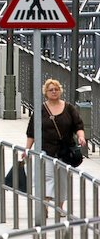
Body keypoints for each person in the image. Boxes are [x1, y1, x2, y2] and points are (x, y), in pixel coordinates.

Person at [24, 79, 85, 207]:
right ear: (45, 92)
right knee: (48, 176)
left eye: (56, 89)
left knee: (62, 179)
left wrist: (81, 137)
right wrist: (27, 149)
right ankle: (45, 203)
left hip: (65, 149)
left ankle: (59, 206)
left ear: (60, 91)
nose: (54, 92)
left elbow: (78, 125)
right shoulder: (41, 110)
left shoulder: (69, 108)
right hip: (46, 148)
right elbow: (31, 132)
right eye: (51, 90)